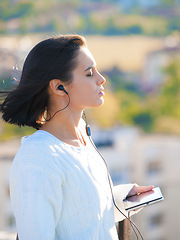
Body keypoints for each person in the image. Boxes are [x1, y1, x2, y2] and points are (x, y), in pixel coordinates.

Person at [0, 35, 153, 240]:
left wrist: (120, 198)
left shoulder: (84, 138)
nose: (101, 79)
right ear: (58, 87)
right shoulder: (37, 158)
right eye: (89, 73)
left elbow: (80, 220)